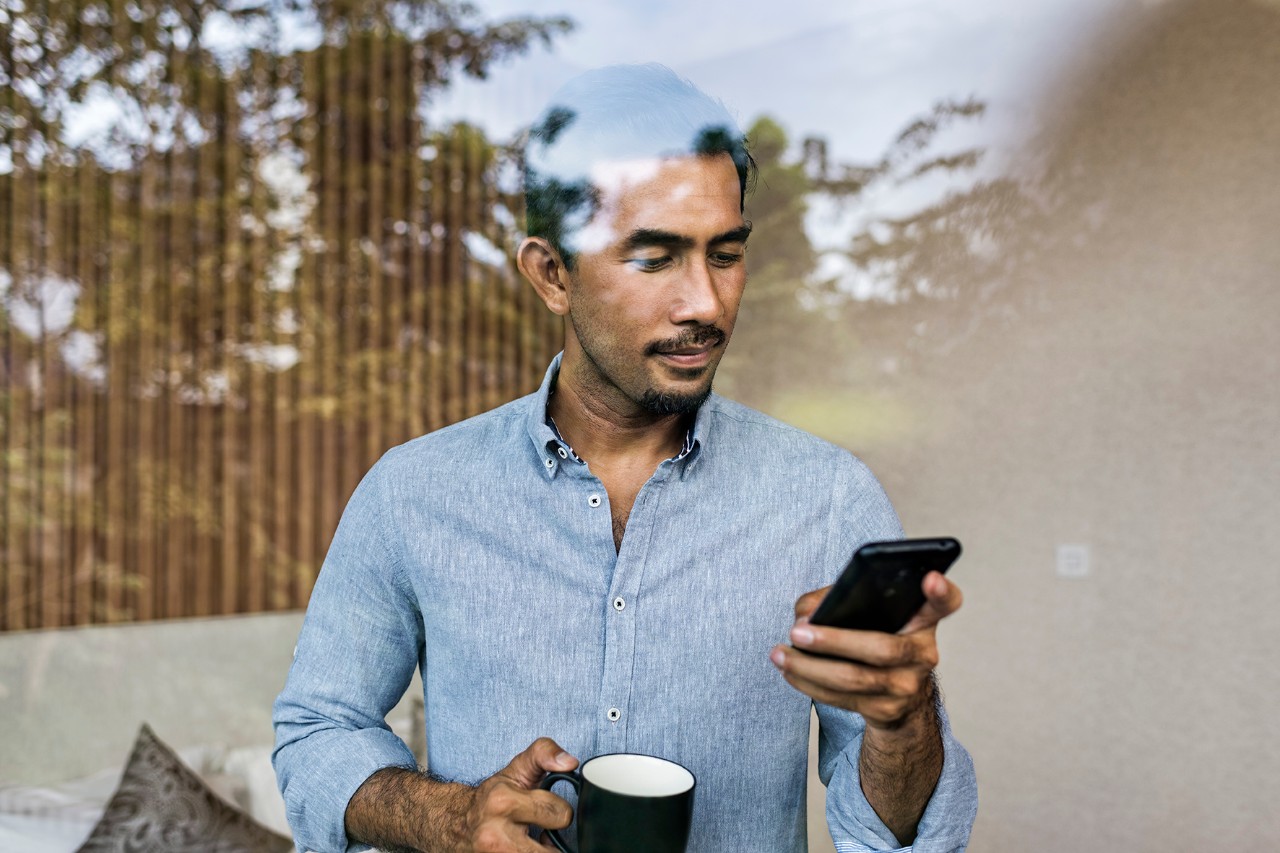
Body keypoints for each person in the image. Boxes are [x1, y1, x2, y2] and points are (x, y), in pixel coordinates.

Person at [273, 63, 977, 853]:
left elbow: (902, 835)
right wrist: (450, 818)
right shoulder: (413, 491)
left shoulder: (829, 498)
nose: (705, 303)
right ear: (552, 275)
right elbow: (317, 731)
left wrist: (903, 720)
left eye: (725, 253)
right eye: (655, 257)